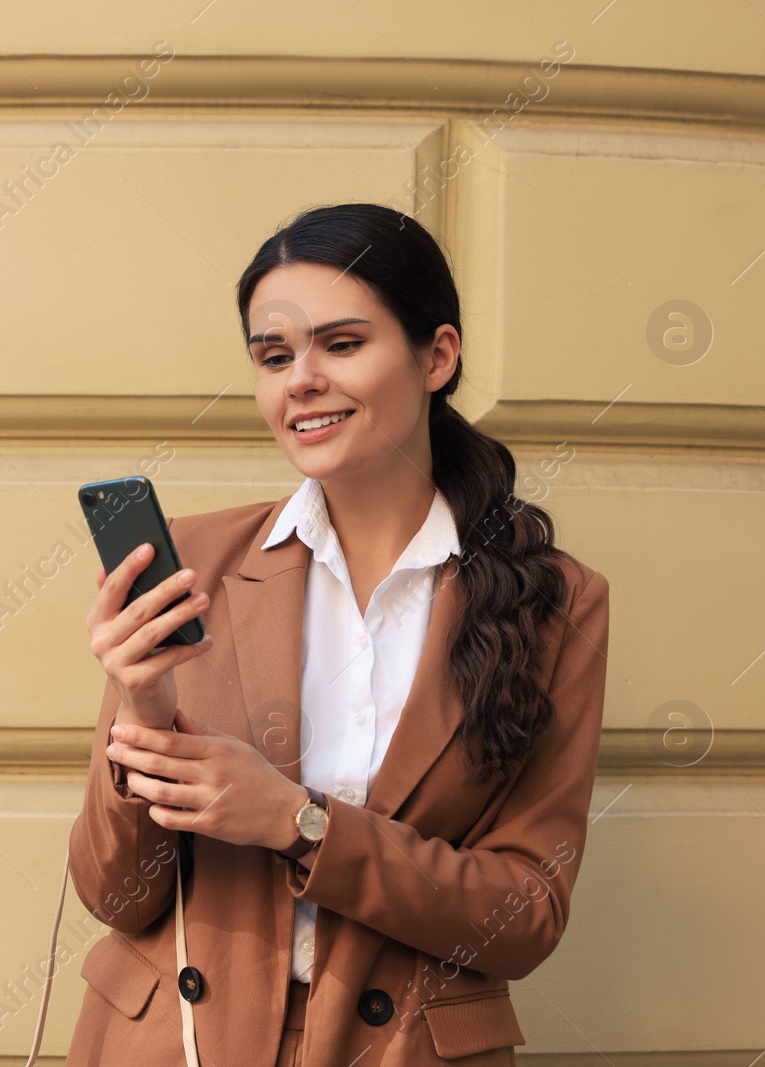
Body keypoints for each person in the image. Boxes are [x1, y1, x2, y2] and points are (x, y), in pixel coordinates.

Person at [66, 203, 612, 1066]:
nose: (301, 381)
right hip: (175, 1042)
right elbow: (116, 894)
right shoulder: (193, 561)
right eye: (274, 357)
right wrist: (144, 704)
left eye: (342, 345)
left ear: (438, 356)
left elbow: (526, 916)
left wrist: (299, 821)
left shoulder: (556, 601)